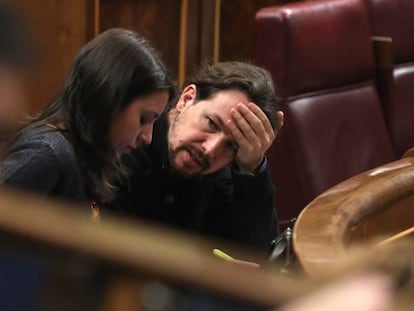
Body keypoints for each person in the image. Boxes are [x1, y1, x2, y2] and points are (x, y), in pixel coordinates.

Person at [109, 61, 284, 253]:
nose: (209, 150)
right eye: (211, 123)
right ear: (187, 98)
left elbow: (256, 257)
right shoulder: (128, 143)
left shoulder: (219, 172)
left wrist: (251, 168)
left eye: (231, 146)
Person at [0, 28, 176, 214]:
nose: (147, 137)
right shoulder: (48, 153)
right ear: (109, 99)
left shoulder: (81, 163)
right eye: (143, 119)